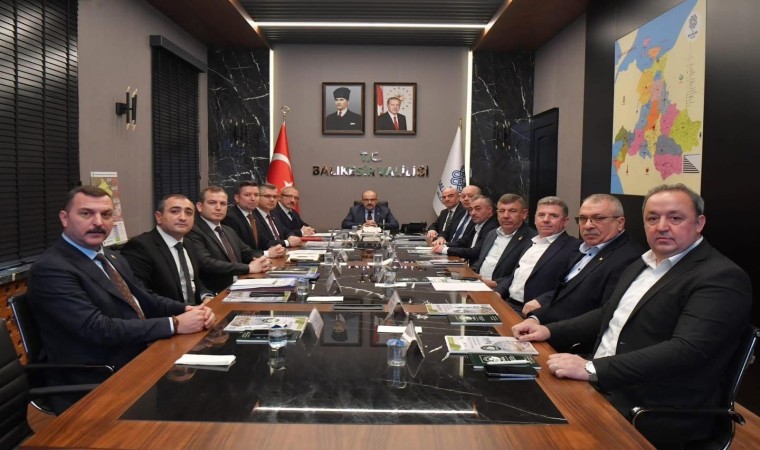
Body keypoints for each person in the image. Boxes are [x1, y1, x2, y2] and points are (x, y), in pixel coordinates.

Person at [511, 184, 752, 448]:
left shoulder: (720, 277)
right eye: (652, 218)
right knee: (516, 403)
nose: (661, 226)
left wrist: (592, 368)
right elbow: (608, 313)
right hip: (605, 382)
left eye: (675, 218)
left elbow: (688, 350)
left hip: (652, 406)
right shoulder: (643, 263)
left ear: (699, 223)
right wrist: (549, 330)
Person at [28, 186, 215, 413]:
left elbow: (145, 298)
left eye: (106, 214)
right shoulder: (52, 268)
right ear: (64, 218)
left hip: (139, 356)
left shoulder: (110, 256)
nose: (98, 222)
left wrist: (189, 309)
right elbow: (97, 328)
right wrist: (174, 324)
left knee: (209, 393)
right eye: (86, 213)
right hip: (98, 376)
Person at [517, 193, 642, 324]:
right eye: (583, 219)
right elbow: (564, 295)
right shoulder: (583, 249)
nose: (588, 225)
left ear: (620, 223)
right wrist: (535, 318)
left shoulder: (629, 258)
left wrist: (547, 329)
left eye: (598, 218)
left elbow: (602, 316)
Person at [121, 194, 215, 305]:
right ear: (159, 217)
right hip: (168, 313)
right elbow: (141, 294)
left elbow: (192, 280)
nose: (183, 218)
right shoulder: (140, 246)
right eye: (174, 211)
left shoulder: (188, 243)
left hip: (197, 310)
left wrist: (206, 296)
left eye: (189, 213)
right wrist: (185, 309)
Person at [494, 196, 581, 312]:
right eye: (541, 215)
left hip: (535, 312)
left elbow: (572, 287)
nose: (546, 220)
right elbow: (516, 275)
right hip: (507, 303)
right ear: (535, 219)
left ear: (565, 222)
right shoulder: (531, 242)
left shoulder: (574, 248)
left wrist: (542, 301)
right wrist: (498, 292)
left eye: (553, 216)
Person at [186, 186, 270, 293]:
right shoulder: (193, 230)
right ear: (199, 207)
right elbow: (206, 263)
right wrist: (248, 268)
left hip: (241, 285)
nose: (218, 208)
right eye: (212, 203)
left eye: (223, 204)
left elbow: (247, 252)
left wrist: (262, 260)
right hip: (217, 292)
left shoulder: (227, 230)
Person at [471, 193, 536, 286]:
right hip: (477, 285)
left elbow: (522, 275)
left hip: (501, 291)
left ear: (524, 214)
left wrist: (495, 283)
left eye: (512, 211)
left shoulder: (532, 240)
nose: (506, 215)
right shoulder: (492, 234)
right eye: (502, 211)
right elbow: (482, 261)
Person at [222, 181, 286, 258]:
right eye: (247, 195)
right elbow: (240, 251)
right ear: (237, 198)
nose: (253, 199)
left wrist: (278, 249)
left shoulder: (254, 216)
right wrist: (267, 254)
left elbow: (263, 242)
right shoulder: (230, 218)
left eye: (256, 195)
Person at [432, 195, 498, 264]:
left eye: (478, 209)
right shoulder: (478, 223)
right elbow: (464, 242)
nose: (473, 213)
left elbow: (475, 252)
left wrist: (445, 250)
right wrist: (445, 245)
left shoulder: (492, 227)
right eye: (471, 209)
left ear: (489, 210)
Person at [253, 183, 303, 248]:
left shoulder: (273, 214)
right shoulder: (252, 217)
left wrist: (291, 236)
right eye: (267, 196)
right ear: (257, 197)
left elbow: (285, 231)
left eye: (275, 197)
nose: (272, 200)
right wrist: (287, 242)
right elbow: (262, 243)